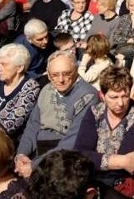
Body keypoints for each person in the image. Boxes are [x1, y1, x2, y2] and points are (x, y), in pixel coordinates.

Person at [15, 51, 99, 179]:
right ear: (48, 75)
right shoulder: (46, 90)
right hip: (38, 151)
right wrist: (21, 154)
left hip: (63, 159)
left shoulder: (88, 95)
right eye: (55, 75)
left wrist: (35, 165)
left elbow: (73, 141)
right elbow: (33, 125)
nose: (61, 80)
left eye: (66, 73)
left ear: (75, 70)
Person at [74, 67, 134, 197]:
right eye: (114, 97)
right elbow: (80, 155)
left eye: (125, 96)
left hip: (120, 184)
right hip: (91, 180)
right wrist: (121, 161)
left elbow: (131, 165)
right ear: (102, 96)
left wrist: (97, 159)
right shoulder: (94, 112)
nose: (120, 103)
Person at [0, 43, 40, 140]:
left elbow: (10, 126)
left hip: (3, 140)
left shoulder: (31, 87)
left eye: (4, 64)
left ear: (20, 68)